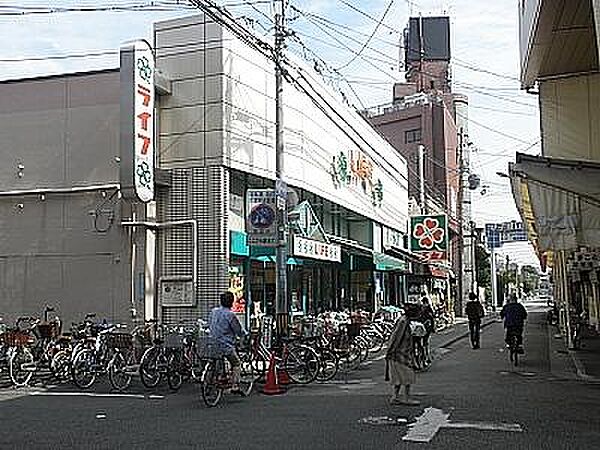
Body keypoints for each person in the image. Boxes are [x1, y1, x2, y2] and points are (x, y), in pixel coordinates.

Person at [208, 291, 245, 392]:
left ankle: (210, 382)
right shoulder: (230, 315)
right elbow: (238, 330)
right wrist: (243, 336)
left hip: (211, 343)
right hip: (225, 345)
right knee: (236, 363)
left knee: (214, 360)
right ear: (232, 302)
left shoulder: (213, 311)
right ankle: (235, 386)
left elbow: (209, 324)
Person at [385, 304, 421, 406]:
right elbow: (396, 337)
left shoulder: (404, 320)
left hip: (400, 353)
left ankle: (395, 397)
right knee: (407, 376)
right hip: (400, 354)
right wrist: (390, 350)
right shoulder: (403, 322)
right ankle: (406, 397)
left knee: (399, 377)